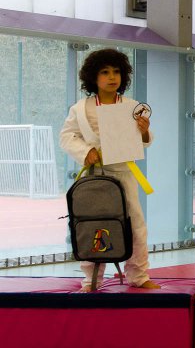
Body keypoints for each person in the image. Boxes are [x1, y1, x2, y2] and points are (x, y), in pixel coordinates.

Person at [60, 48, 160, 292]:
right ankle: (91, 279)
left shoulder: (132, 106)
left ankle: (138, 275)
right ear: (93, 77)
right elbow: (67, 136)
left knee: (135, 225)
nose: (112, 77)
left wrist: (144, 130)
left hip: (124, 173)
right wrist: (85, 151)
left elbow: (146, 140)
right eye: (104, 72)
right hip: (94, 175)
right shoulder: (80, 108)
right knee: (93, 224)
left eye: (116, 71)